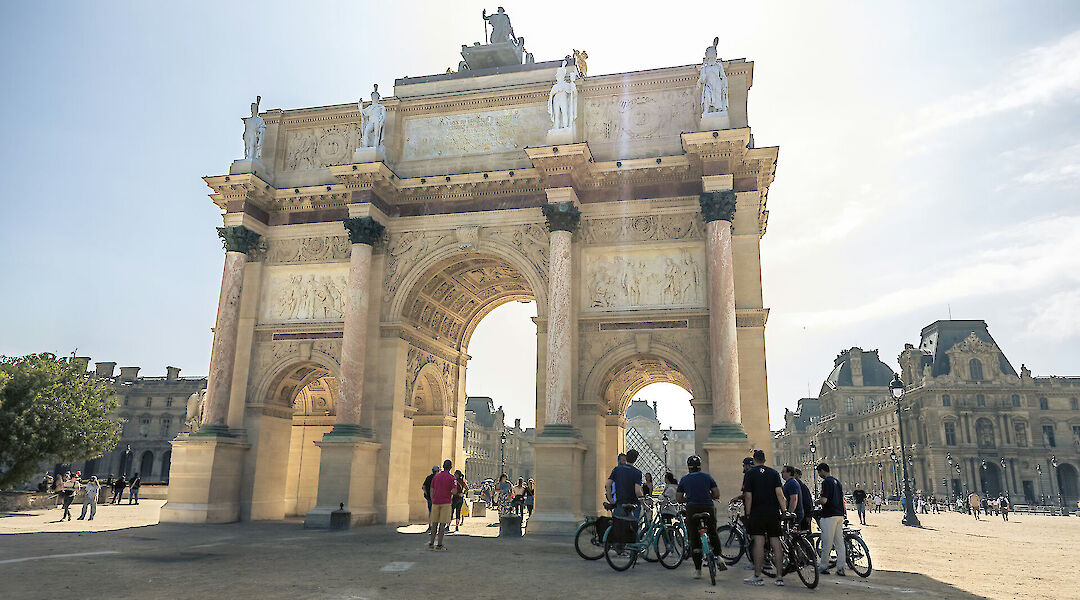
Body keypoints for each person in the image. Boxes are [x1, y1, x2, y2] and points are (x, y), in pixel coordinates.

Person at [677, 455, 726, 580]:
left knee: (694, 538)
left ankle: (698, 570)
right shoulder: (707, 477)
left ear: (688, 467)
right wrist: (710, 496)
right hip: (707, 507)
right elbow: (717, 493)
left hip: (692, 508)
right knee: (712, 532)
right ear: (700, 466)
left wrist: (687, 499)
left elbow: (678, 498)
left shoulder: (684, 479)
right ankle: (719, 556)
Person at [742, 450, 786, 587]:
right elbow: (780, 494)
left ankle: (757, 576)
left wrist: (748, 514)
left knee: (759, 543)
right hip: (773, 511)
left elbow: (748, 496)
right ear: (765, 459)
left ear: (754, 460)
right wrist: (784, 510)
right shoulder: (773, 473)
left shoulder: (750, 473)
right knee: (776, 543)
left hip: (757, 511)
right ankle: (779, 577)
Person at [605, 449, 644, 547]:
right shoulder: (637, 473)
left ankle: (619, 547)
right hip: (632, 505)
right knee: (632, 528)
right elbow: (638, 491)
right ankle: (631, 551)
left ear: (626, 457)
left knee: (619, 525)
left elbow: (608, 484)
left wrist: (611, 500)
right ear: (636, 460)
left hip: (619, 502)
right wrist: (645, 504)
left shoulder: (617, 469)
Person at [816, 463, 847, 576]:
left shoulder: (826, 482)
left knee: (827, 542)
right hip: (839, 514)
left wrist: (817, 501)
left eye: (819, 472)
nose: (819, 475)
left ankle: (824, 566)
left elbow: (824, 500)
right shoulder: (837, 482)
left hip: (829, 515)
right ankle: (841, 568)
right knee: (839, 543)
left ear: (823, 471)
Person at [427, 459, 458, 551]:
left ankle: (431, 543)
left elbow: (431, 489)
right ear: (451, 467)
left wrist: (433, 499)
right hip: (446, 502)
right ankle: (439, 544)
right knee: (442, 524)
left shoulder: (436, 476)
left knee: (434, 524)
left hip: (436, 502)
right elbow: (454, 491)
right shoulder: (452, 478)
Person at [794, 468, 814, 533]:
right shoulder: (799, 485)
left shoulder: (802, 486)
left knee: (805, 534)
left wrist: (808, 515)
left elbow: (808, 502)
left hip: (804, 516)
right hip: (802, 514)